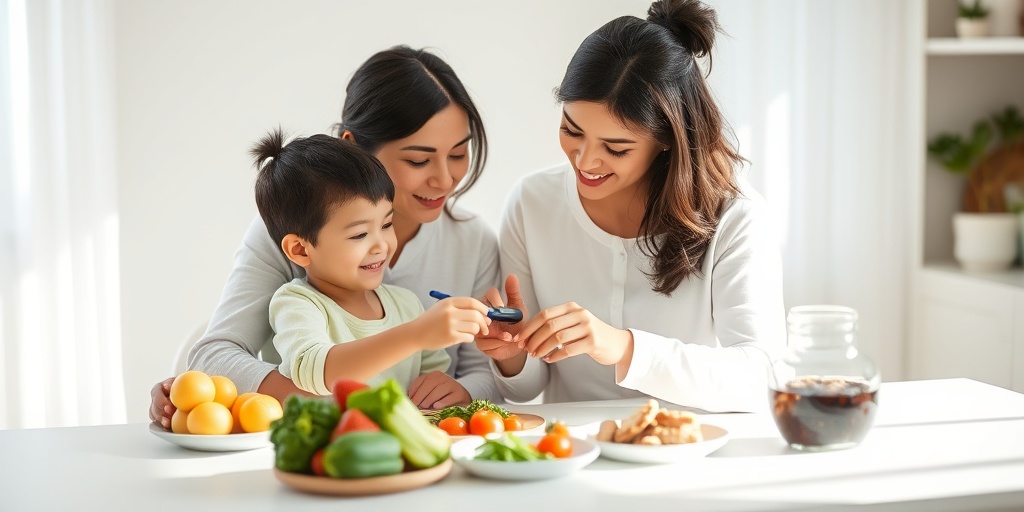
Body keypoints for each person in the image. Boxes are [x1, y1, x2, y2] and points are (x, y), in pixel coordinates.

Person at [150, 46, 505, 429]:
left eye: (457, 153)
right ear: (353, 145)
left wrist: (461, 388)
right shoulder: (290, 230)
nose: (445, 179)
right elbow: (216, 355)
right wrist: (316, 401)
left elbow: (480, 370)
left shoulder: (470, 242)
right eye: (418, 160)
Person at [477, 0, 786, 413]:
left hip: (692, 449)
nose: (585, 161)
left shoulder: (735, 216)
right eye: (572, 130)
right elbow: (524, 392)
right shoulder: (532, 203)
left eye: (616, 148)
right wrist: (510, 352)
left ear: (666, 140)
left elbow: (761, 377)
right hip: (572, 454)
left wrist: (623, 347)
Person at [250, 129, 490, 394]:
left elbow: (434, 372)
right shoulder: (297, 304)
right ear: (300, 250)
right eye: (360, 234)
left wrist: (443, 386)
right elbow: (317, 370)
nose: (381, 245)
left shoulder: (406, 305)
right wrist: (415, 334)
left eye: (387, 224)